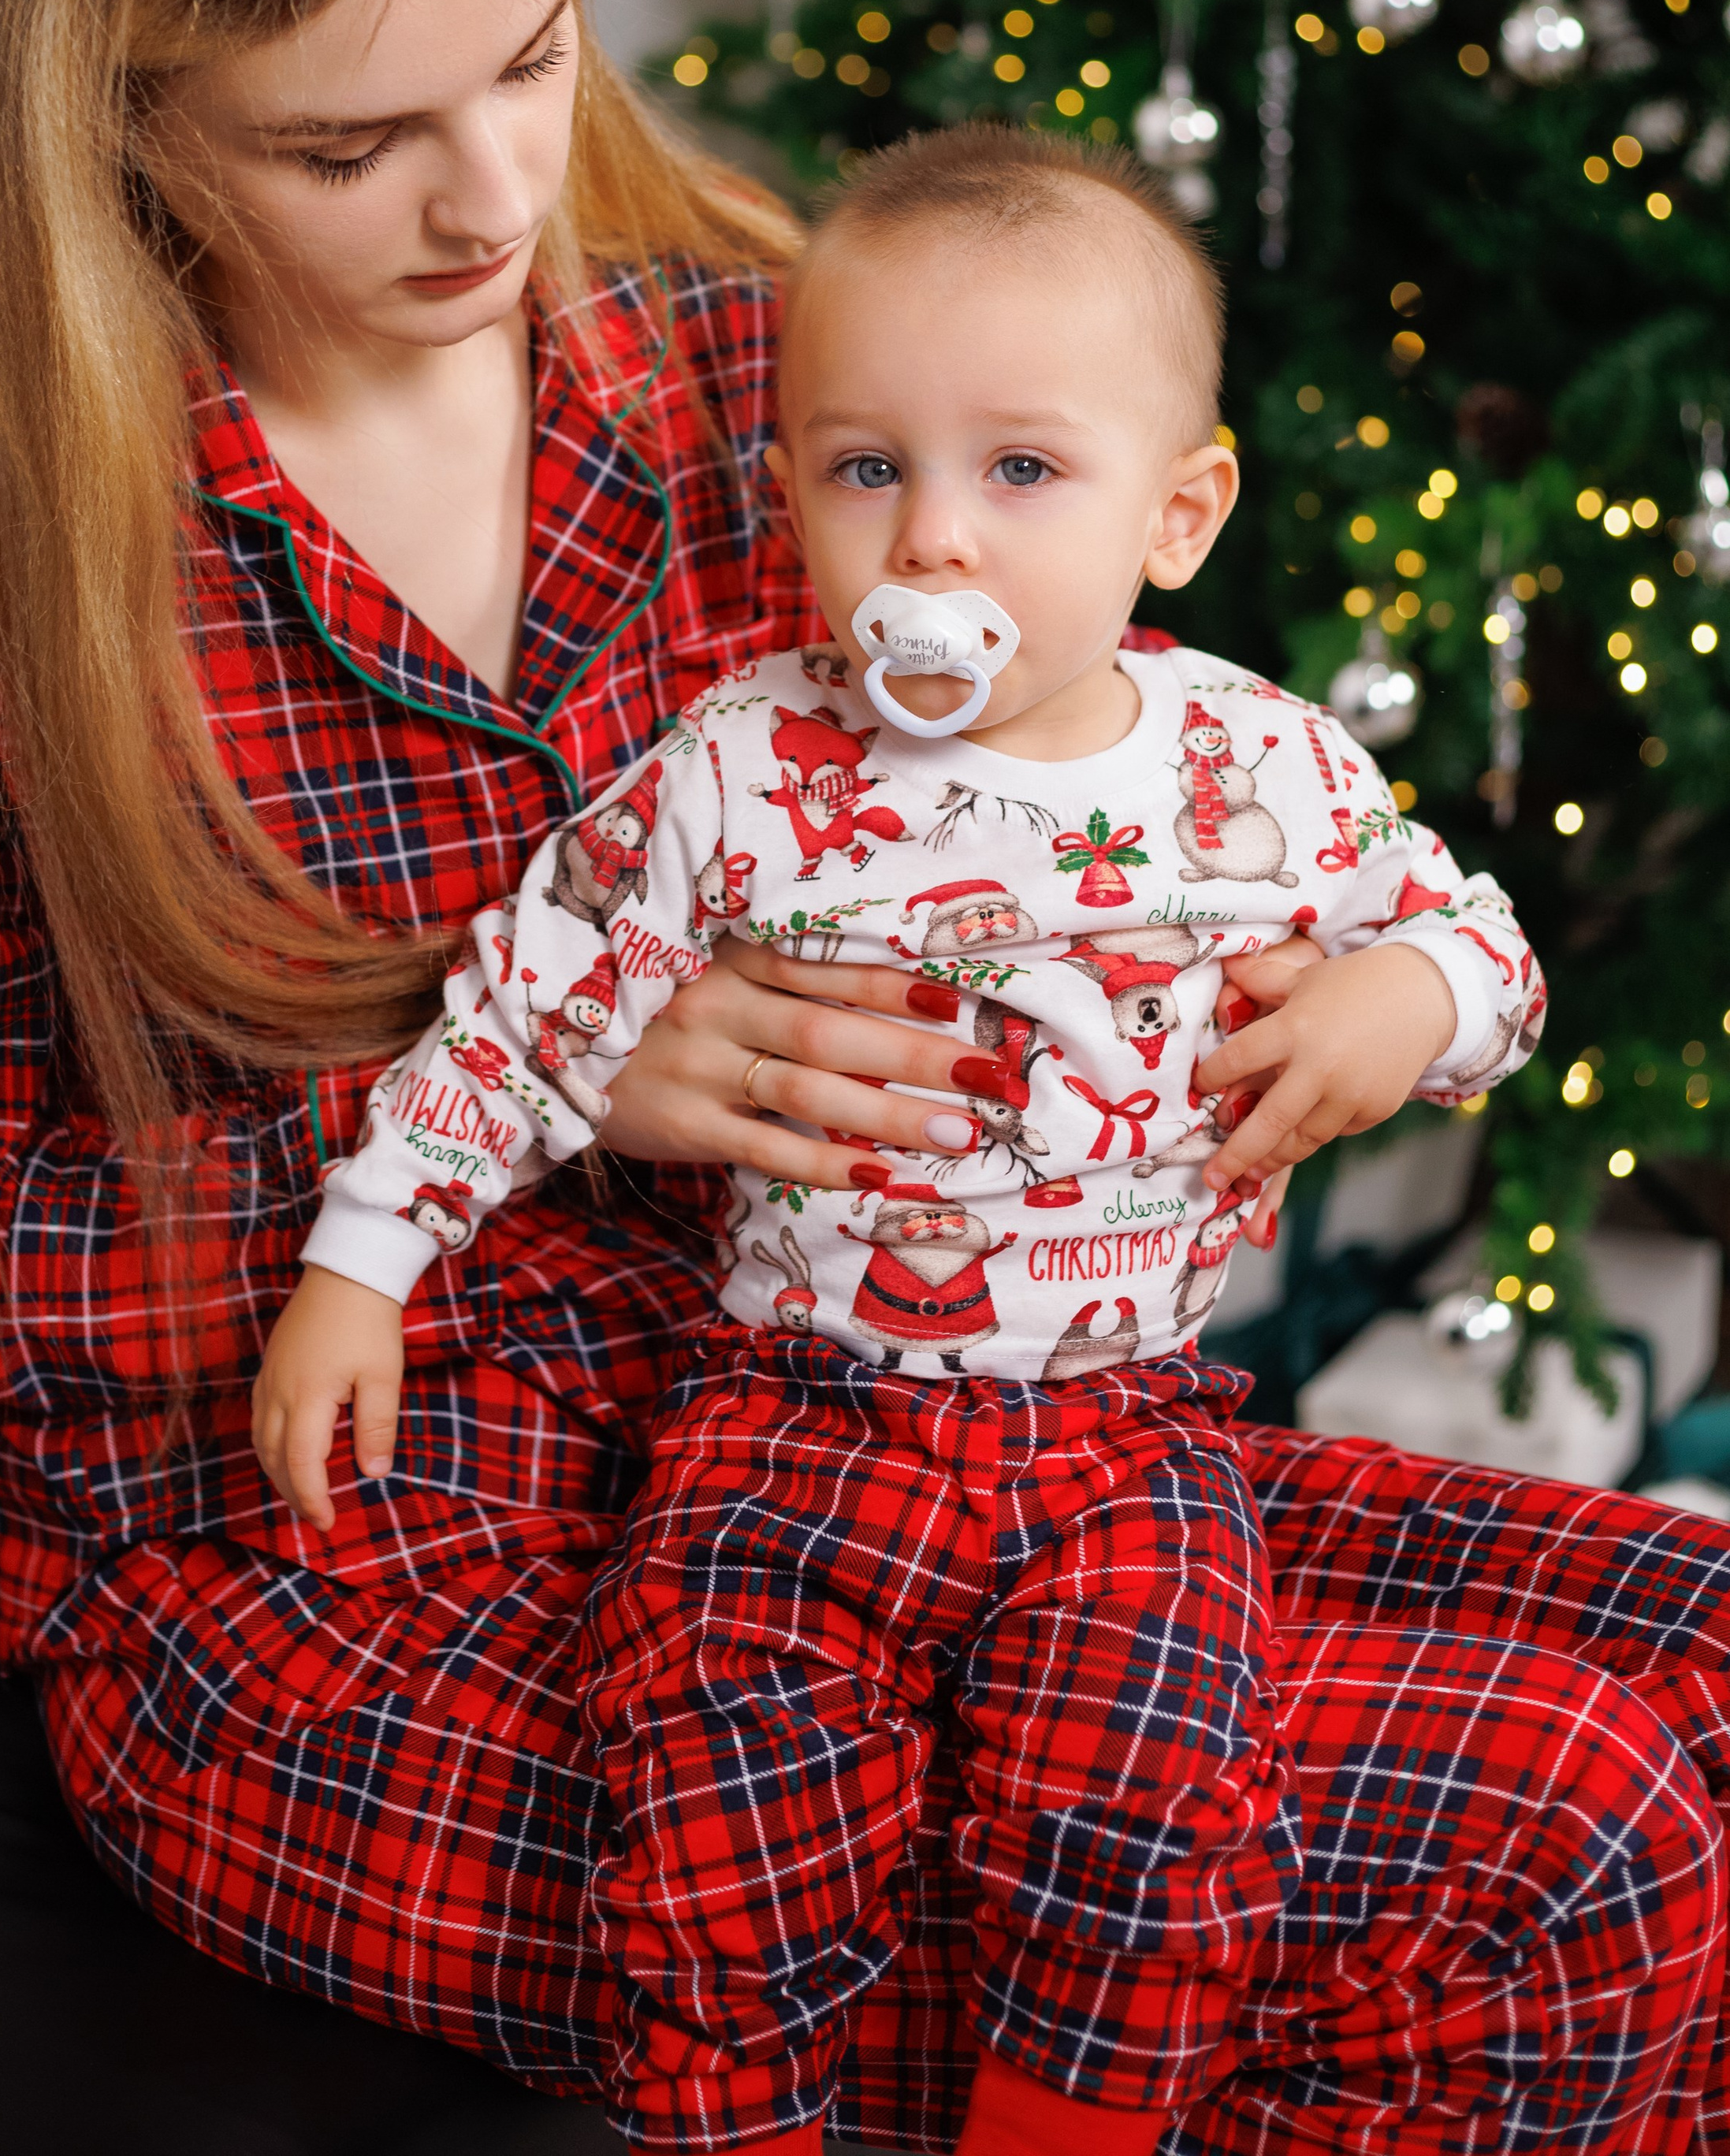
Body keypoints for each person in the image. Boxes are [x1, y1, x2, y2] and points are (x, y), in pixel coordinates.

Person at [0, 0, 1724, 2156]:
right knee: (1578, 1829)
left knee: (1692, 1645)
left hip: (883, 1433)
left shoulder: (739, 370)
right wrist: (559, 1096)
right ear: (115, 103)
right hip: (344, 1585)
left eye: (532, 61)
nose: (487, 201)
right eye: (352, 140)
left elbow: (1095, 716)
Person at [253, 125, 1546, 2156]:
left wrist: (1409, 1004)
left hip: (1123, 1428)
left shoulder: (1258, 770)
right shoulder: (743, 766)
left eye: (1021, 471)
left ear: (1176, 513)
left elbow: (1483, 953)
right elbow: (522, 1011)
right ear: (796, 498)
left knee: (1149, 1787)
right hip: (795, 1413)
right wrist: (359, 1267)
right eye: (870, 469)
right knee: (706, 1784)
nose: (932, 541)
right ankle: (732, 2121)